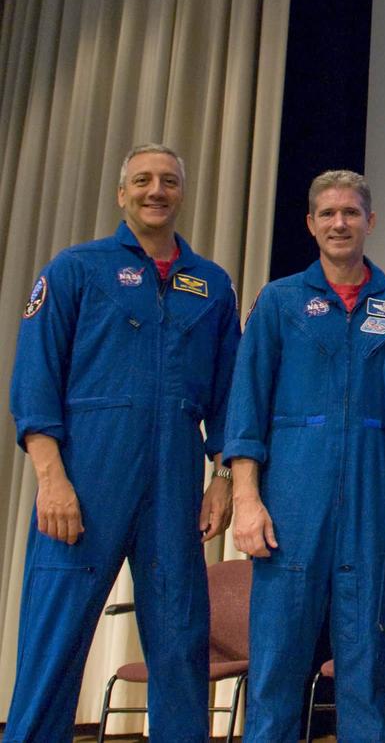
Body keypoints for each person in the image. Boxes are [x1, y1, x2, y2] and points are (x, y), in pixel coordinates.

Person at [6, 143, 241, 741]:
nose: (155, 190)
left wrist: (222, 478)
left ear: (182, 194)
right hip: (88, 477)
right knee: (55, 638)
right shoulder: (75, 269)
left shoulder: (210, 285)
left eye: (167, 181)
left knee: (181, 639)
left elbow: (230, 392)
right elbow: (35, 380)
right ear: (121, 194)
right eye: (142, 180)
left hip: (175, 480)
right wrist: (51, 478)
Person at [223, 170, 385, 741]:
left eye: (351, 213)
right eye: (327, 213)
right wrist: (245, 499)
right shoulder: (279, 302)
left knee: (364, 665)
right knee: (277, 662)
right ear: (309, 223)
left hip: (375, 497)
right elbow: (246, 407)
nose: (339, 223)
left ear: (370, 221)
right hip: (292, 503)